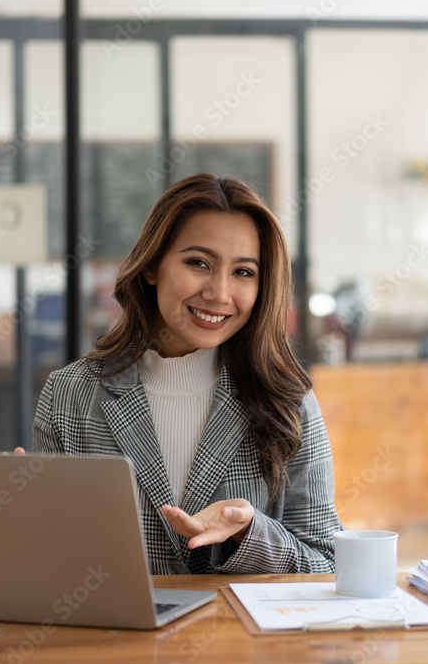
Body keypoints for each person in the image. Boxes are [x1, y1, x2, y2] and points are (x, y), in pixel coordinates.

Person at [30, 173, 342, 575]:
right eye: (199, 263)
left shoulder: (287, 399)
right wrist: (26, 524)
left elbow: (327, 564)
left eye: (243, 272)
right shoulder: (69, 395)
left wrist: (250, 535)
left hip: (239, 638)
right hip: (117, 637)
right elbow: (48, 567)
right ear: (152, 267)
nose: (219, 293)